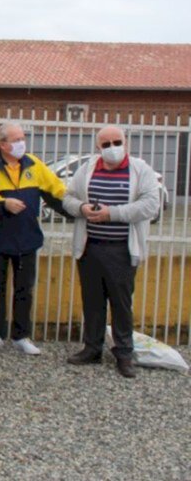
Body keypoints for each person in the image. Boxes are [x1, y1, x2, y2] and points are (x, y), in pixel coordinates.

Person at [62, 126, 159, 378]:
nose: (112, 147)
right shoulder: (87, 169)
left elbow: (150, 205)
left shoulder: (141, 170)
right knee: (92, 301)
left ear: (125, 142)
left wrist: (112, 213)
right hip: (90, 247)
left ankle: (124, 353)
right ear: (98, 148)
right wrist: (83, 208)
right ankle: (92, 348)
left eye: (117, 142)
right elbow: (68, 198)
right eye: (106, 144)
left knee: (121, 303)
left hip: (122, 250)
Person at [0, 122, 66, 355]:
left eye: (22, 138)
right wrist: (2, 203)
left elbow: (56, 190)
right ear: (2, 144)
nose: (21, 143)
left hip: (27, 238)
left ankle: (22, 335)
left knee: (24, 289)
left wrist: (77, 206)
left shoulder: (34, 164)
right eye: (15, 139)